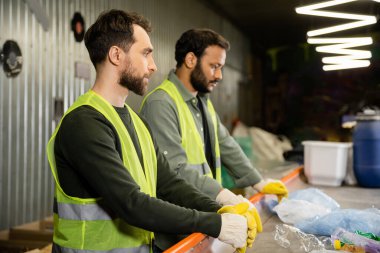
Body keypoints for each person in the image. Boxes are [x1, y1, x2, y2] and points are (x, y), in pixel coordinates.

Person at [47, 10, 255, 253]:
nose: (154, 66)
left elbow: (167, 184)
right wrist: (215, 223)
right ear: (116, 55)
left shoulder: (136, 122)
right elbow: (131, 203)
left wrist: (220, 206)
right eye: (146, 53)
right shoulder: (84, 123)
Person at [140, 28, 289, 250]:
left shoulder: (202, 102)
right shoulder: (161, 104)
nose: (219, 75)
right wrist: (224, 197)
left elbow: (226, 143)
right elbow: (175, 170)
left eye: (221, 67)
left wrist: (258, 181)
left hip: (202, 220)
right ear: (190, 59)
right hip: (174, 231)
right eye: (214, 66)